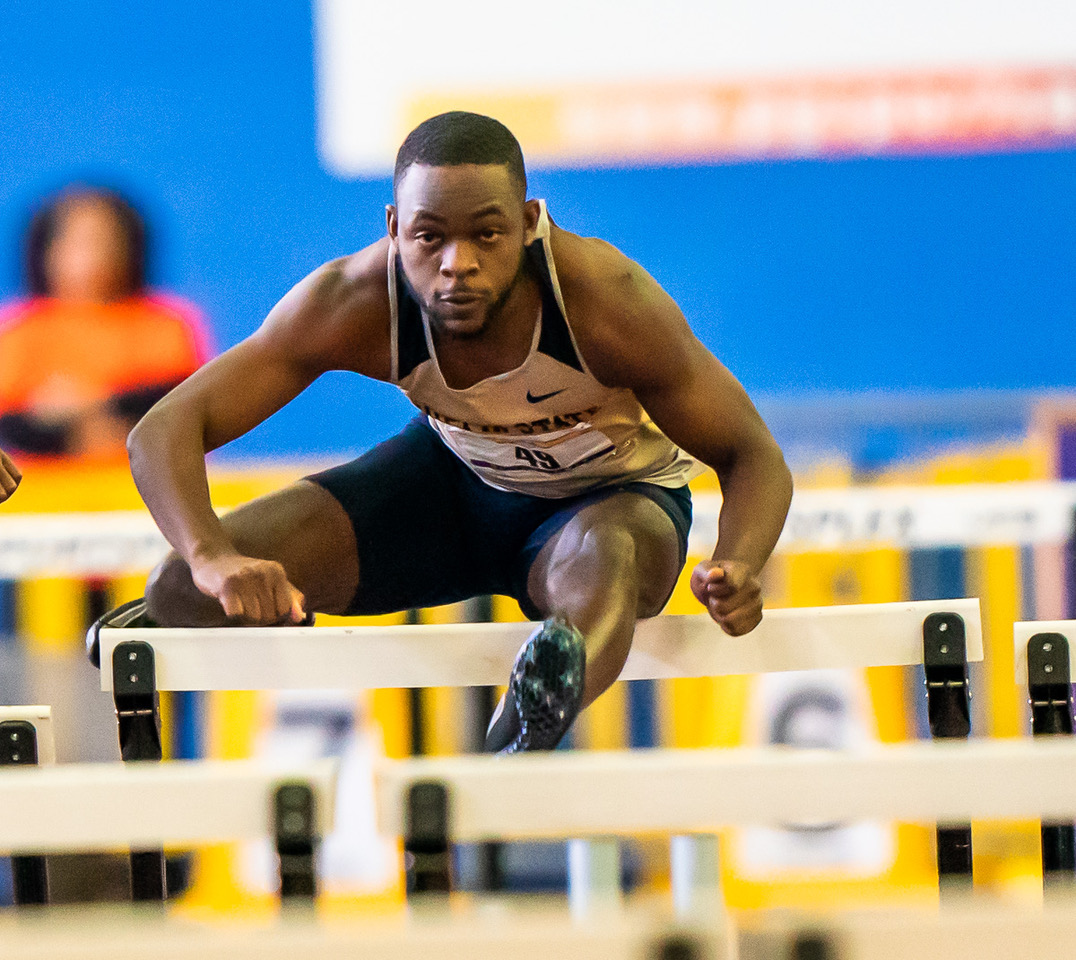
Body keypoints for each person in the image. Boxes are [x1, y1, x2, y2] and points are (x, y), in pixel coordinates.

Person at [107, 112, 793, 753]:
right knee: (179, 589)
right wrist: (209, 558)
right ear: (394, 226)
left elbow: (749, 454)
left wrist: (738, 561)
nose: (456, 263)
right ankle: (250, 617)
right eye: (429, 236)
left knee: (602, 558)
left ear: (529, 223)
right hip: (450, 492)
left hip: (610, 502)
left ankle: (525, 727)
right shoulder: (353, 300)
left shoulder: (605, 301)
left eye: (485, 235)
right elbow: (165, 428)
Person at [0, 186, 211, 461]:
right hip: (43, 490)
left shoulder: (165, 323)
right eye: (77, 241)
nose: (93, 255)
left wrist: (90, 404)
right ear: (46, 250)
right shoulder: (21, 330)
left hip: (144, 483)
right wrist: (76, 434)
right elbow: (12, 422)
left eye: (106, 240)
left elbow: (175, 401)